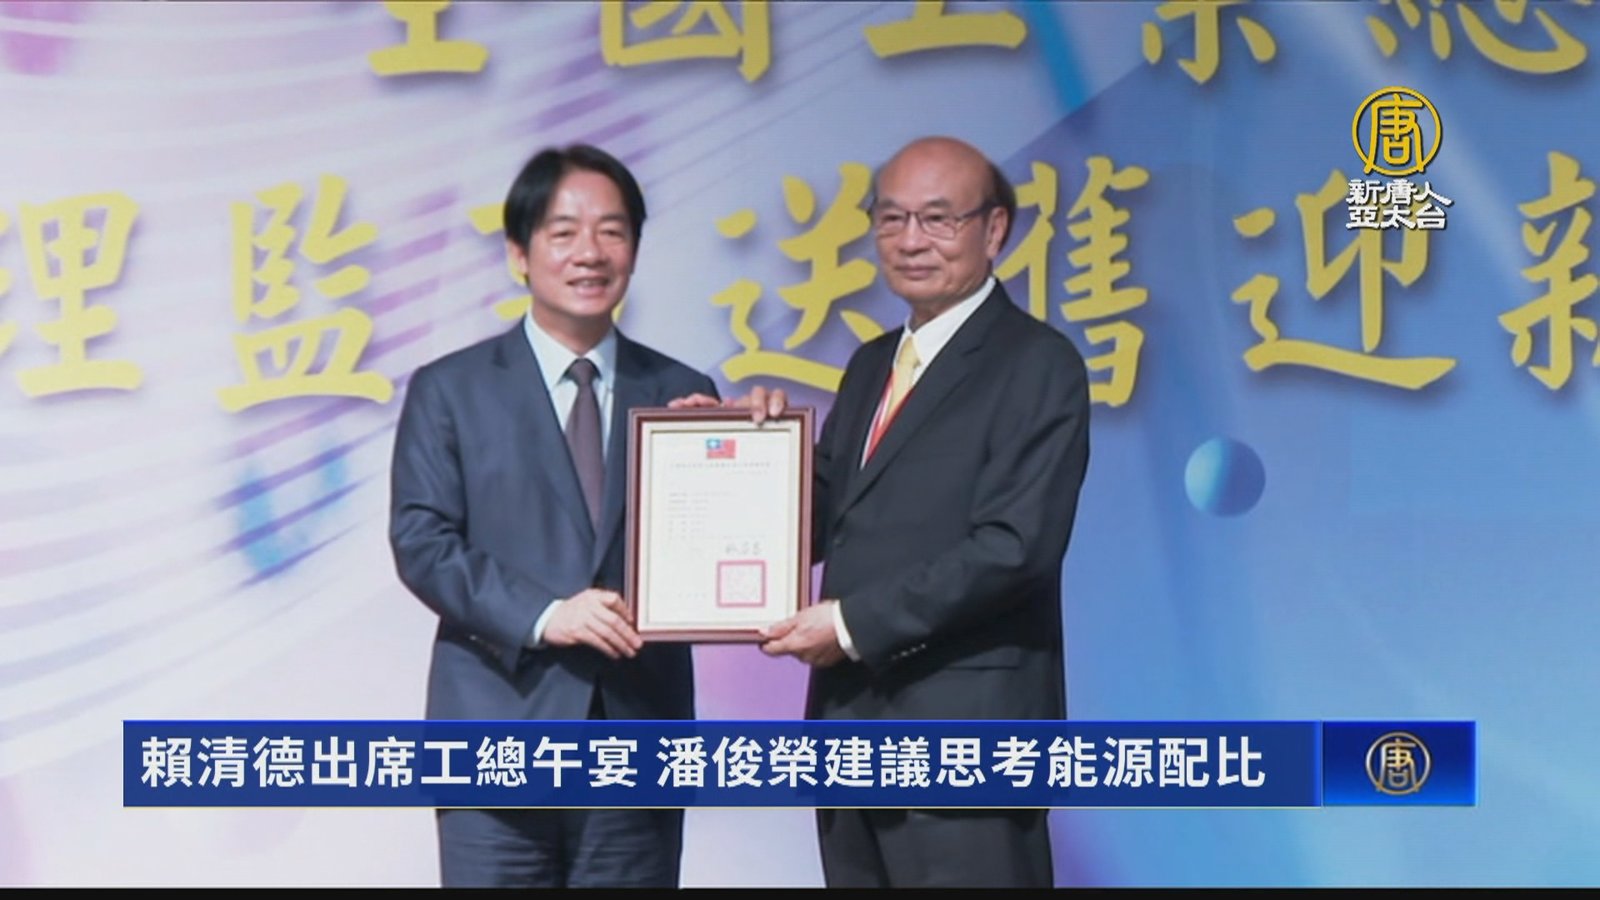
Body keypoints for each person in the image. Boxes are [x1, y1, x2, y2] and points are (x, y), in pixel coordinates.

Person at [683, 135, 1091, 887]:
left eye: (938, 219)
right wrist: (726, 453)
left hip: (964, 738)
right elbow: (825, 515)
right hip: (849, 731)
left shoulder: (1037, 363)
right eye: (891, 218)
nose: (910, 241)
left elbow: (1015, 548)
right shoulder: (873, 363)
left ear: (994, 229)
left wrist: (847, 625)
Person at [388, 143, 715, 888]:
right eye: (564, 232)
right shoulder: (451, 389)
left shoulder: (683, 392)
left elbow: (712, 550)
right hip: (495, 731)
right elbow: (423, 541)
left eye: (612, 231)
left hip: (639, 734)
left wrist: (737, 447)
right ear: (519, 253)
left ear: (635, 249)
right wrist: (547, 615)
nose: (590, 253)